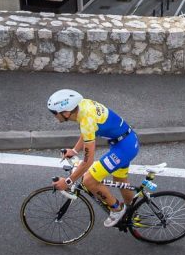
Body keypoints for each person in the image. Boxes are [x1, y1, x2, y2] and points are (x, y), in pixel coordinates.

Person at [48, 89, 139, 228]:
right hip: (126, 142)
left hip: (124, 148)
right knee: (120, 180)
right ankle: (133, 213)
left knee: (89, 180)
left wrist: (68, 181)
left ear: (66, 112)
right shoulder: (82, 106)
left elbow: (88, 161)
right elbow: (87, 133)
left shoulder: (86, 119)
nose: (54, 116)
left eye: (54, 113)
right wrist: (74, 150)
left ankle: (117, 210)